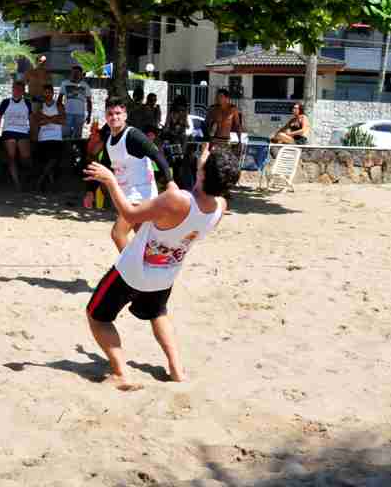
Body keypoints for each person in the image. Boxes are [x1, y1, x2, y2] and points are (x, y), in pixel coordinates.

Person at [84, 143, 240, 390]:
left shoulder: (176, 200)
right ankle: (177, 370)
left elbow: (130, 213)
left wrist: (111, 181)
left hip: (133, 272)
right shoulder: (220, 208)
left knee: (97, 316)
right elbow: (186, 211)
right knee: (157, 313)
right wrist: (174, 191)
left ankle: (121, 372)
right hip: (166, 274)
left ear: (203, 173)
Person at [89, 96, 174, 252]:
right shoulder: (109, 140)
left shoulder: (133, 135)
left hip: (141, 194)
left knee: (117, 234)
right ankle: (153, 266)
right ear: (105, 116)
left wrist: (170, 182)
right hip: (126, 196)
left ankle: (131, 269)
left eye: (118, 113)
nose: (114, 117)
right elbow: (103, 167)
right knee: (146, 240)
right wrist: (91, 191)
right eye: (110, 114)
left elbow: (157, 156)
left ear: (125, 115)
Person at [0, 79, 33, 188]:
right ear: (12, 90)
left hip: (22, 131)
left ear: (23, 91)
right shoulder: (6, 102)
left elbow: (31, 119)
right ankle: (17, 183)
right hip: (9, 131)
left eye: (20, 89)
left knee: (25, 157)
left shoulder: (27, 103)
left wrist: (33, 131)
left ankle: (25, 178)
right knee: (11, 156)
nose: (17, 91)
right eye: (15, 89)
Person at [32, 84, 65, 191]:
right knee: (47, 161)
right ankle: (51, 184)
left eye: (49, 92)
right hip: (43, 137)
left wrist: (47, 119)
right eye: (45, 92)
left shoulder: (59, 105)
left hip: (56, 137)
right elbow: (38, 121)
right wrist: (55, 118)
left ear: (53, 93)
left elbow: (63, 121)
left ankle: (40, 180)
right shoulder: (40, 106)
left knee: (53, 160)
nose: (47, 94)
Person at [58, 65, 92, 139]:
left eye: (77, 73)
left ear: (81, 74)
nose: (75, 74)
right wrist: (60, 112)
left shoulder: (85, 85)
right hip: (67, 113)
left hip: (80, 114)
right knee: (65, 135)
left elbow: (89, 101)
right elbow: (59, 99)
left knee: (77, 135)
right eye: (73, 73)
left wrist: (89, 115)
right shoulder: (65, 83)